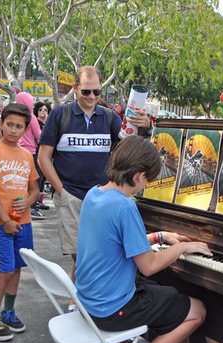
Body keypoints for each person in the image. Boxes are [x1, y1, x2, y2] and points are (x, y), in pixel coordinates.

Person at [76, 136, 211, 343]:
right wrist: (182, 247)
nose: (146, 185)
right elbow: (148, 266)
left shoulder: (95, 194)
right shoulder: (125, 207)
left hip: (88, 303)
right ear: (139, 176)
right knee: (198, 310)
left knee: (161, 291)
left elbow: (113, 241)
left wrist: (160, 237)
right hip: (111, 311)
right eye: (149, 180)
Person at [38, 66, 151, 300]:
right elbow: (43, 158)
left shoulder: (109, 117)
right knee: (81, 257)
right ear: (75, 88)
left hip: (101, 199)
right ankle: (81, 304)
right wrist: (61, 191)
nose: (91, 97)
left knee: (92, 257)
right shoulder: (60, 115)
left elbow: (126, 150)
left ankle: (78, 302)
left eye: (96, 92)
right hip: (71, 196)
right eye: (86, 91)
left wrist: (143, 126)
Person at [0, 103, 40, 342]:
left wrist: (27, 202)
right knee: (4, 270)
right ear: (1, 123)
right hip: (0, 224)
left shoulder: (26, 155)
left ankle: (9, 312)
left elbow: (34, 189)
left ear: (26, 129)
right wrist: (4, 220)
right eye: (10, 125)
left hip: (23, 223)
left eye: (19, 126)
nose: (14, 130)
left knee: (16, 269)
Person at [15, 92, 46, 220]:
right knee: (34, 182)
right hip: (30, 153)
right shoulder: (31, 117)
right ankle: (32, 208)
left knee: (18, 181)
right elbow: (39, 135)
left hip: (15, 152)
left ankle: (18, 207)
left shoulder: (14, 115)